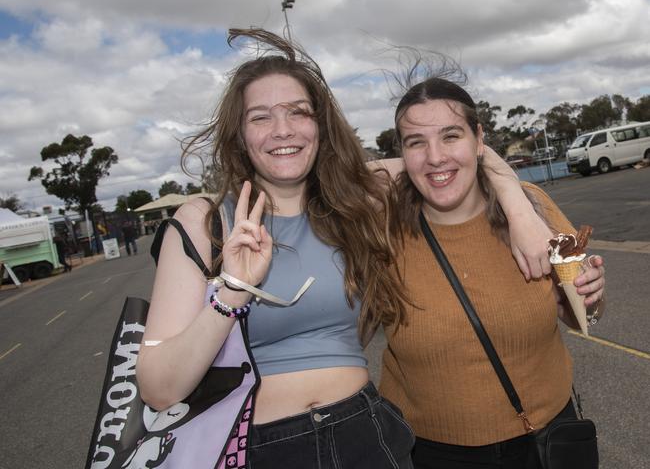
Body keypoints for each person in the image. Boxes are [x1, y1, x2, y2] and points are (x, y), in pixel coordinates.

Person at [135, 29, 555, 469]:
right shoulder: (205, 221)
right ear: (240, 135)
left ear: (320, 125)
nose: (283, 130)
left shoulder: (357, 199)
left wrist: (520, 212)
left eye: (298, 112)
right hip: (258, 447)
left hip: (364, 433)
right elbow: (160, 389)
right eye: (260, 117)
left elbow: (449, 155)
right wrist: (234, 290)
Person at [379, 77, 606, 469]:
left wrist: (593, 295)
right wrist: (503, 177)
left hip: (547, 441)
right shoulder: (382, 226)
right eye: (416, 142)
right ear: (401, 151)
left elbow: (582, 315)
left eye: (451, 136)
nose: (435, 156)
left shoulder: (536, 209)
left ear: (478, 138)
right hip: (433, 453)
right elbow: (329, 175)